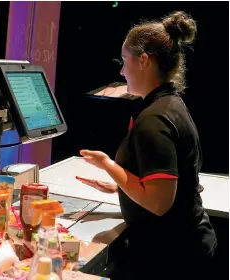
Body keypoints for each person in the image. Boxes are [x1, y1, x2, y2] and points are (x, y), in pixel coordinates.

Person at [75, 11, 216, 279]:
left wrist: (108, 165)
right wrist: (121, 185)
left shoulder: (154, 119)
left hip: (173, 256)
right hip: (185, 246)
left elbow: (158, 202)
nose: (121, 71)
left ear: (143, 61)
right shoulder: (170, 104)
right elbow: (167, 177)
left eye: (124, 61)